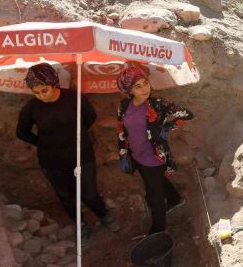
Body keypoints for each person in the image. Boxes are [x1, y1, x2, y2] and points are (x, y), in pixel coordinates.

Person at [16, 63, 119, 244]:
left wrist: (75, 137)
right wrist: (43, 143)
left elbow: (90, 117)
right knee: (66, 196)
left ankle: (105, 215)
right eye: (36, 93)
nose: (41, 96)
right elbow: (21, 132)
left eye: (44, 90)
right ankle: (80, 225)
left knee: (89, 194)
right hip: (51, 161)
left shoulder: (74, 99)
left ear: (54, 83)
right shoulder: (32, 108)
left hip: (82, 155)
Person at [115, 66, 193, 235]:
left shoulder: (158, 104)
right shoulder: (124, 105)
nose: (145, 88)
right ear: (129, 90)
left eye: (145, 83)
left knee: (154, 196)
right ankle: (175, 199)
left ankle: (158, 230)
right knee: (156, 182)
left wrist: (167, 127)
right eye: (138, 86)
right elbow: (121, 128)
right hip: (136, 155)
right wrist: (123, 153)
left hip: (153, 157)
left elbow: (187, 114)